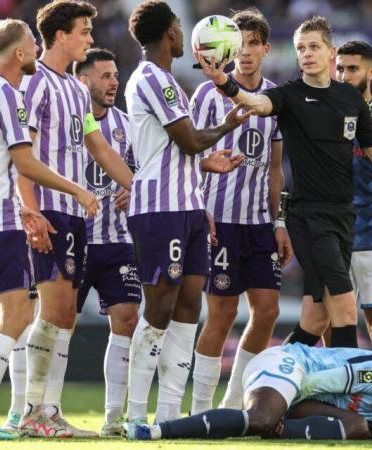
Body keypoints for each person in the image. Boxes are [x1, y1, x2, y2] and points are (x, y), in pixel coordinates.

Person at [198, 16, 372, 350]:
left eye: (313, 47)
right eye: (300, 49)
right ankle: (346, 395)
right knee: (346, 306)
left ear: (331, 52)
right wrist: (223, 80)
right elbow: (256, 103)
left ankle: (277, 376)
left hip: (343, 216)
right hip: (308, 217)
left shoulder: (350, 100)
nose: (306, 54)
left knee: (314, 319)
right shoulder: (290, 95)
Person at [0, 19, 97, 439]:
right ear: (18, 54)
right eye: (31, 44)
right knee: (16, 315)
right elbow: (24, 162)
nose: (35, 49)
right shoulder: (8, 96)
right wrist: (78, 192)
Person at [124, 0, 250, 426]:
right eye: (179, 26)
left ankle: (168, 415)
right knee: (158, 309)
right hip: (160, 209)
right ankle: (136, 415)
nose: (183, 33)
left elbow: (176, 150)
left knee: (188, 308)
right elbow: (190, 140)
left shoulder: (169, 82)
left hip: (189, 207)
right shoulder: (152, 79)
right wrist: (228, 127)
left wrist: (204, 163)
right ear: (168, 35)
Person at [17, 0, 134, 438]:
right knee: (50, 311)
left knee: (64, 313)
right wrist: (29, 210)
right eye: (84, 31)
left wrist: (140, 188)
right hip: (46, 209)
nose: (90, 38)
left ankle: (47, 411)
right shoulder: (36, 84)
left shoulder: (71, 88)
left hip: (72, 214)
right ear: (61, 35)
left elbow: (99, 148)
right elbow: (21, 155)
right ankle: (30, 412)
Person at [190, 7, 293, 415]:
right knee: (221, 314)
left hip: (259, 225)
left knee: (267, 311)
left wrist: (279, 221)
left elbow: (275, 170)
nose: (245, 52)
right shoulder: (206, 95)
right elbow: (187, 152)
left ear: (266, 48)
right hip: (219, 220)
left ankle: (233, 402)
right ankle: (199, 407)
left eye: (253, 43)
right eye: (239, 44)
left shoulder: (273, 101)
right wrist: (197, 207)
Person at [297, 41, 372, 358]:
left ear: (371, 71)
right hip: (331, 235)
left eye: (352, 68)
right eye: (339, 67)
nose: (344, 74)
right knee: (327, 320)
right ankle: (336, 393)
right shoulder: (320, 115)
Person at [124, 343, 372, 441]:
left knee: (357, 428)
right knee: (262, 418)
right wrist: (281, 408)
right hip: (289, 364)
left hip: (300, 395)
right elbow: (317, 382)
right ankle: (153, 432)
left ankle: (277, 430)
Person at [72, 48, 142, 435]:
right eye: (105, 76)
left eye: (116, 75)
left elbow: (143, 172)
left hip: (117, 240)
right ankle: (39, 407)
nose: (114, 82)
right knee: (58, 322)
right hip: (75, 238)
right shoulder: (66, 123)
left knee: (127, 320)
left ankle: (113, 417)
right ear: (84, 81)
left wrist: (135, 191)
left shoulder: (127, 126)